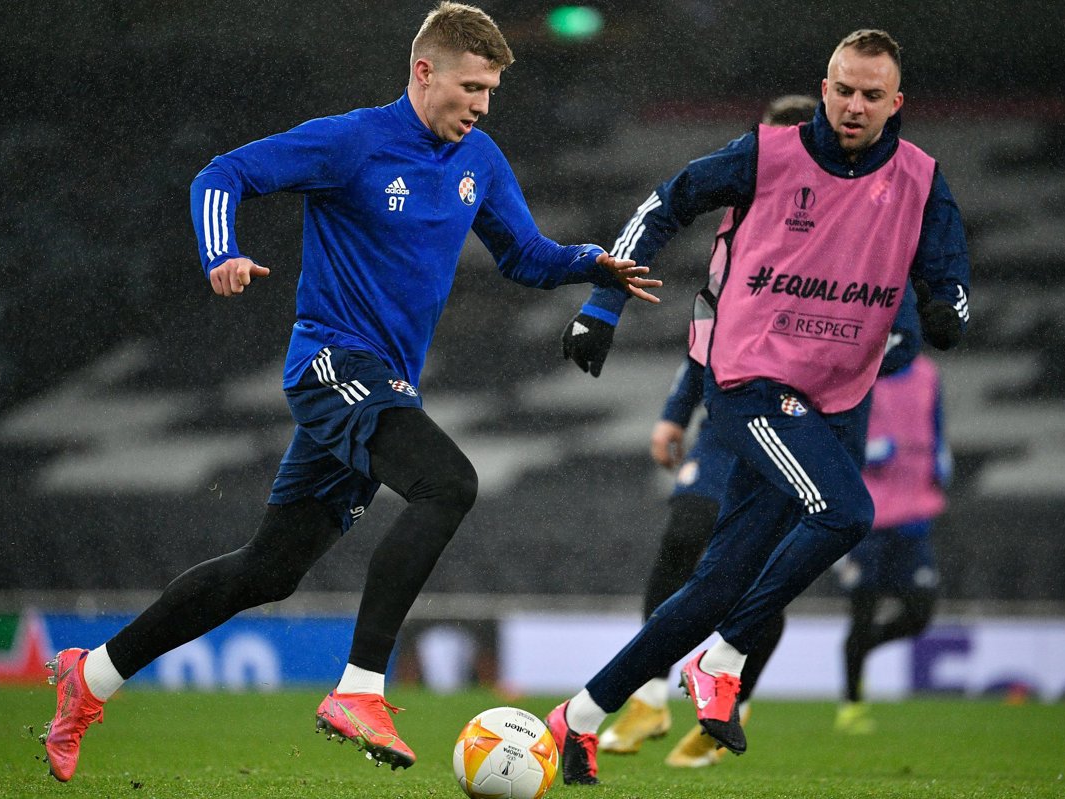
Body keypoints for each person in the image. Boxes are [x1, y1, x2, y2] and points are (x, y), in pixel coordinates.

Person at [38, 2, 660, 783]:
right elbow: (221, 174)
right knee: (449, 483)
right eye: (472, 86)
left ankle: (90, 676)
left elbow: (524, 256)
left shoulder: (481, 158)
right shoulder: (352, 141)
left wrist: (590, 264)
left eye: (492, 91)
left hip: (384, 380)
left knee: (267, 570)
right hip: (332, 362)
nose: (482, 105)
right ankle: (361, 686)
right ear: (423, 72)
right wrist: (219, 251)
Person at [548, 29, 970, 786]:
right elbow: (665, 202)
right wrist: (602, 304)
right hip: (748, 382)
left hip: (836, 400)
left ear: (895, 103)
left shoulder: (921, 180)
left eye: (872, 95)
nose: (853, 105)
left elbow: (948, 278)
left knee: (715, 583)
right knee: (845, 513)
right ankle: (724, 659)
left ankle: (574, 718)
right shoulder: (767, 154)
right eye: (843, 88)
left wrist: (949, 310)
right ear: (827, 83)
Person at [596, 95, 819, 769]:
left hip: (798, 417)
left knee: (757, 570)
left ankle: (732, 702)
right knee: (682, 540)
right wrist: (674, 411)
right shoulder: (739, 225)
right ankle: (648, 694)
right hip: (727, 415)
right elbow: (709, 329)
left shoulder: (841, 239)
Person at [834, 352, 950, 734]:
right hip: (869, 516)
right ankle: (851, 704)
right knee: (862, 611)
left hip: (914, 514)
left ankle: (863, 649)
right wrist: (865, 452)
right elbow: (836, 432)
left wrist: (940, 454)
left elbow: (936, 421)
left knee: (920, 612)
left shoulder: (926, 372)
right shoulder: (859, 367)